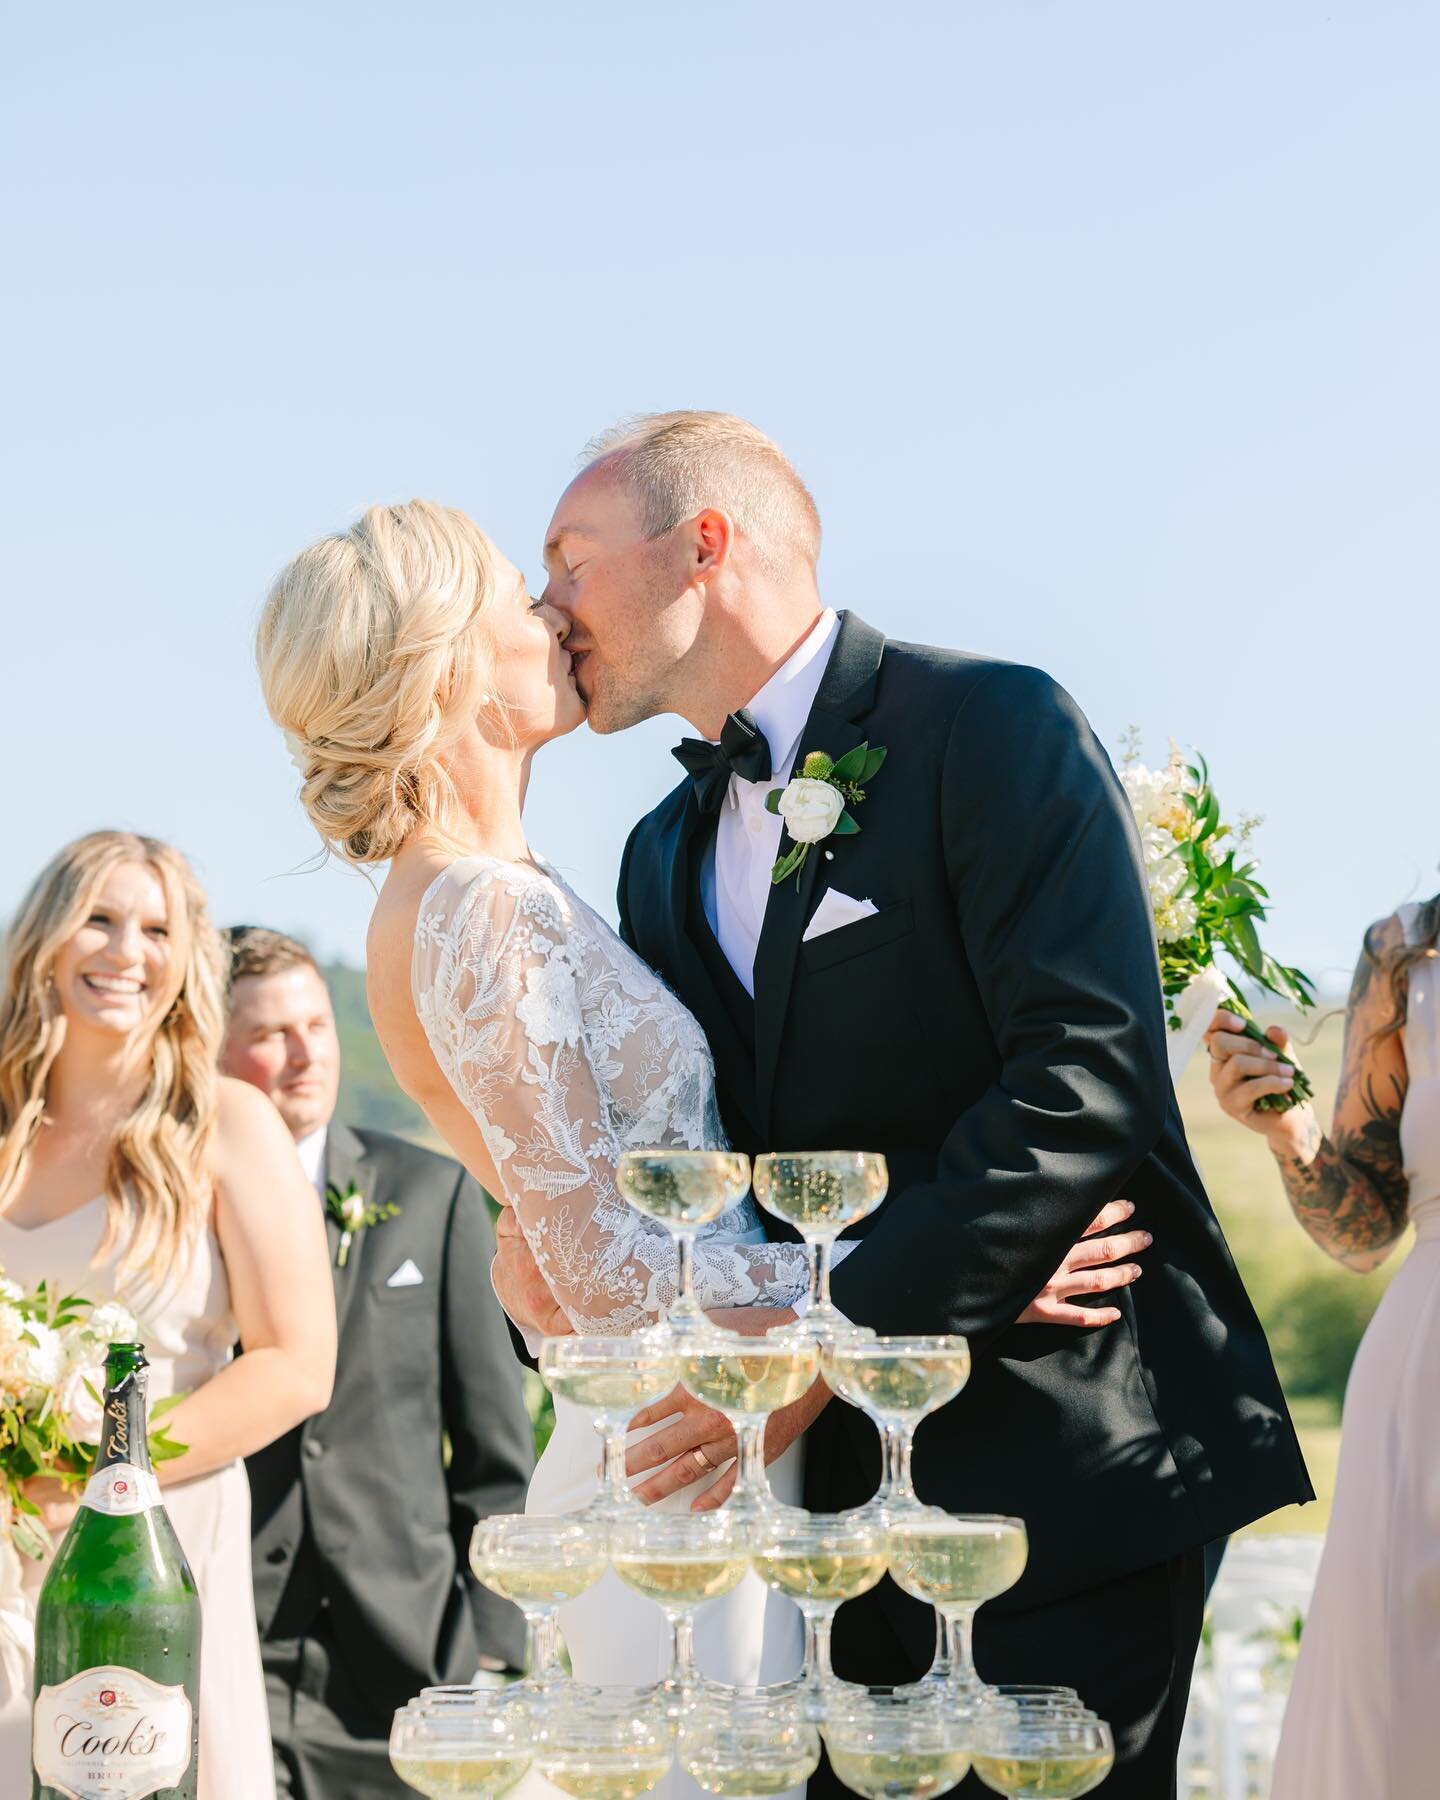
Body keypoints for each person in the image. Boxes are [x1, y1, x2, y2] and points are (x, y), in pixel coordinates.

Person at [254, 498, 1148, 1800]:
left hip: (715, 1433)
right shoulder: (476, 908)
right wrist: (937, 1287)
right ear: (444, 662)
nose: (553, 612)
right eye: (520, 592)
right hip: (676, 1471)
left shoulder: (497, 887)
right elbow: (617, 1276)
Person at [505, 410, 1310, 1800]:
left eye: (570, 560)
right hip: (813, 1532)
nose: (546, 606)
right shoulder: (656, 852)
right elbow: (695, 1161)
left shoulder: (989, 726)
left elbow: (1081, 1077)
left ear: (703, 545)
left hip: (1061, 1472)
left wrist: (849, 1332)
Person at [0, 831, 336, 1800]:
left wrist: (94, 1467)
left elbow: (295, 1363)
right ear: (47, 939)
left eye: (155, 928)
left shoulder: (226, 1122)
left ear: (185, 955)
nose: (125, 951)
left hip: (158, 1554)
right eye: (97, 920)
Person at [221, 924, 533, 1800]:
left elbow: (495, 1451)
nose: (303, 1055)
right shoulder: (179, 1208)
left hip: (409, 1660)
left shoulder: (428, 1193)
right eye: (268, 1035)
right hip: (231, 1643)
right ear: (211, 1052)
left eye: (316, 1026)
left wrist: (489, 1643)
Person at [1205, 897, 1439, 1798]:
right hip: (1428, 1383)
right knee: (1407, 1717)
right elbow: (1367, 1227)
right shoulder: (1406, 951)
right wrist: (1293, 1133)